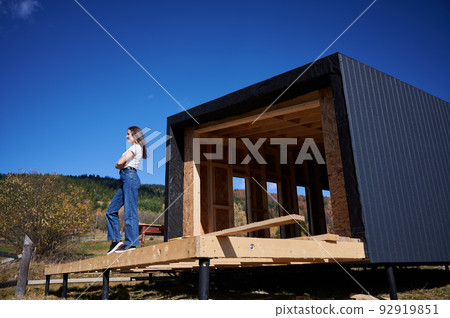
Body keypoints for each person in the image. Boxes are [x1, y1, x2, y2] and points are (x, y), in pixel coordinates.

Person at [106, 126, 147, 254]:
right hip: (125, 178)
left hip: (129, 177)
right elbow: (120, 164)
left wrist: (118, 164)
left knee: (130, 211)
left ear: (135, 135)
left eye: (128, 134)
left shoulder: (135, 147)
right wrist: (119, 165)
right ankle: (115, 240)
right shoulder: (134, 148)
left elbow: (119, 162)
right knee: (111, 210)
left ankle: (131, 243)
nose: (126, 136)